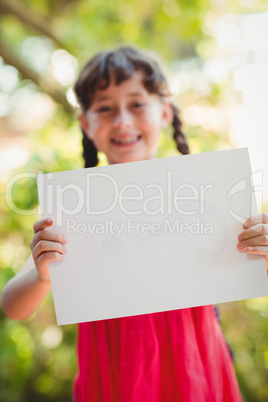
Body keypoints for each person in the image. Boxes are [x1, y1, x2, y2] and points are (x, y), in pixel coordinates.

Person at [2, 46, 268, 402]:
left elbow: (247, 271)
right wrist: (41, 276)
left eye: (137, 104)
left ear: (164, 112)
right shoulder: (75, 206)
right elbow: (13, 305)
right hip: (115, 372)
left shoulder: (204, 194)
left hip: (194, 364)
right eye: (105, 108)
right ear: (86, 123)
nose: (122, 120)